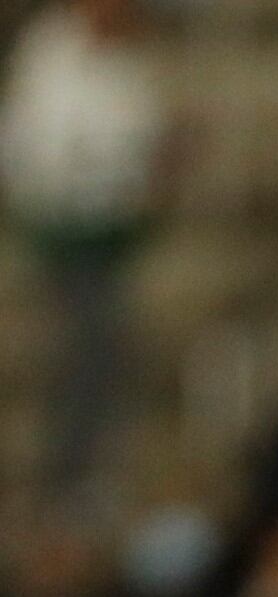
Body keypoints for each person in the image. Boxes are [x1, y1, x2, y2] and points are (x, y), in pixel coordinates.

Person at [0, 0, 167, 516]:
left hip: (109, 231)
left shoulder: (136, 68)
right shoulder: (48, 52)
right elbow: (30, 145)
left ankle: (74, 475)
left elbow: (140, 153)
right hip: (50, 222)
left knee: (96, 346)